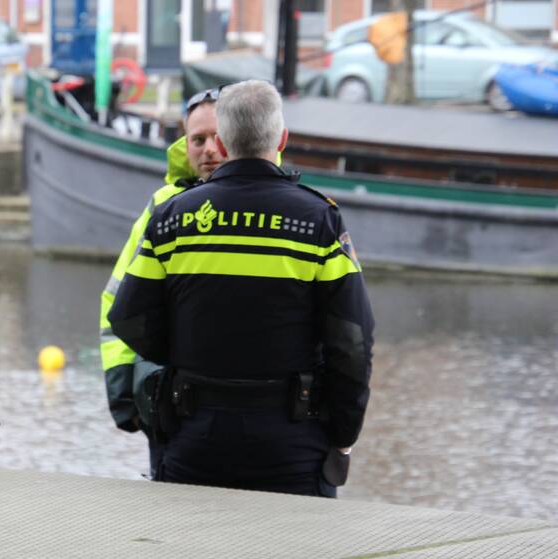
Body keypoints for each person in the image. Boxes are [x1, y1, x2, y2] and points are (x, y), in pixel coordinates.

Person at [108, 80, 374, 497]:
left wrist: (184, 358)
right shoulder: (318, 221)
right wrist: (341, 435)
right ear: (282, 139)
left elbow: (127, 316)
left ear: (225, 143)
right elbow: (352, 340)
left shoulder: (173, 217)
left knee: (189, 554)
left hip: (194, 431)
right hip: (293, 439)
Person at [99, 88, 222, 478]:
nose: (208, 150)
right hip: (171, 400)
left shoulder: (278, 205)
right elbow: (119, 299)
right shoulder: (163, 206)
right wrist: (123, 389)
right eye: (197, 140)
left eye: (219, 138)